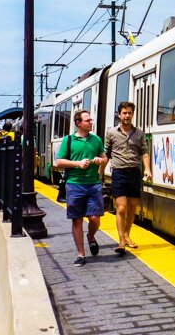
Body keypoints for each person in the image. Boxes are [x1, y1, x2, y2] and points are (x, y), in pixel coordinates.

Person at [55, 110, 107, 267]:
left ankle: (90, 236)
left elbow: (105, 158)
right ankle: (80, 254)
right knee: (77, 220)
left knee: (94, 218)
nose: (91, 122)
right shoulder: (69, 140)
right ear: (78, 123)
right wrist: (77, 164)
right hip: (74, 184)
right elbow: (59, 162)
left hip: (93, 184)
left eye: (91, 120)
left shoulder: (96, 139)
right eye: (88, 120)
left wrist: (101, 160)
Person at [104, 102, 151, 254]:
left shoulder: (139, 133)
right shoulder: (111, 133)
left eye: (129, 113)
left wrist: (148, 169)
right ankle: (121, 240)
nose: (127, 116)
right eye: (124, 113)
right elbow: (106, 153)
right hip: (119, 173)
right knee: (121, 207)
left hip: (134, 173)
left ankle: (127, 234)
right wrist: (99, 171)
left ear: (132, 114)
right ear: (119, 114)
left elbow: (144, 152)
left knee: (132, 208)